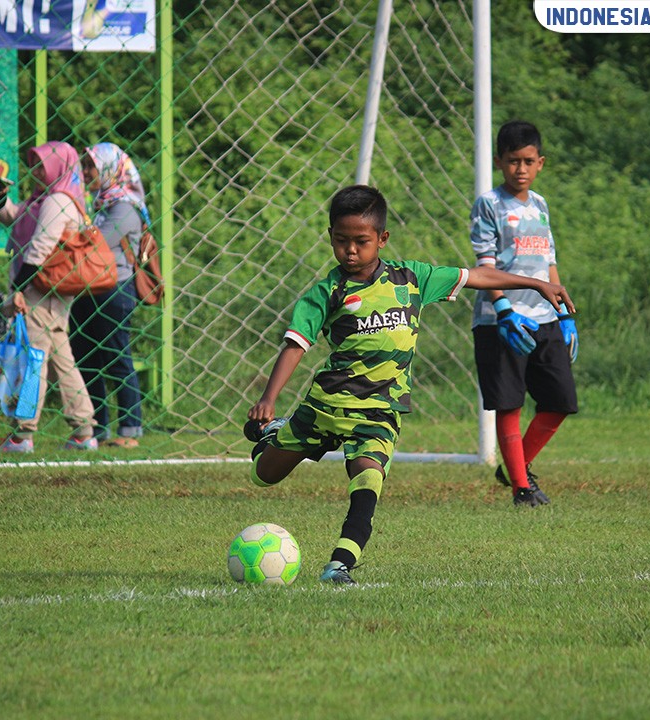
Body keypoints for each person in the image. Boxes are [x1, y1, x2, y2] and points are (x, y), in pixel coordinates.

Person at [244, 185, 575, 584]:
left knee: (369, 479)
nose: (351, 251)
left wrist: (536, 284)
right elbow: (296, 344)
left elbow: (478, 275)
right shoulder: (327, 292)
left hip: (380, 411)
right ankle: (274, 433)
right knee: (263, 475)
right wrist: (269, 398)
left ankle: (339, 565)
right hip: (325, 406)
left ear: (382, 238)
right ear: (330, 235)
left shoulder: (413, 278)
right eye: (341, 240)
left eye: (361, 241)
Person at [470, 120, 579, 507]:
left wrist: (564, 315)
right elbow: (485, 265)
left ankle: (513, 467)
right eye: (513, 160)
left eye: (528, 161)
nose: (521, 168)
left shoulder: (540, 205)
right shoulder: (489, 204)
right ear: (499, 162)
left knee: (560, 401)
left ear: (540, 163)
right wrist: (503, 309)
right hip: (502, 321)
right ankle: (521, 487)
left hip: (544, 317)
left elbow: (549, 263)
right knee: (510, 403)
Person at [0, 141, 97, 452]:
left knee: (33, 361)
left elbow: (39, 248)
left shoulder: (57, 201)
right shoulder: (46, 199)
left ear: (59, 167)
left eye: (42, 165)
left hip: (40, 291)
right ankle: (84, 431)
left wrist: (19, 290)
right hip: (49, 292)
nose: (35, 171)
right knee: (63, 360)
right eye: (33, 165)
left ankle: (22, 434)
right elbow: (13, 216)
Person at [69, 143, 146, 448]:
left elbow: (94, 243)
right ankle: (97, 428)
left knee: (116, 357)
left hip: (115, 291)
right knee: (86, 359)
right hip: (86, 289)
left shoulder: (124, 207)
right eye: (84, 166)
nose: (86, 172)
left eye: (91, 166)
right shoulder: (98, 203)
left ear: (110, 169)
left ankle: (130, 428)